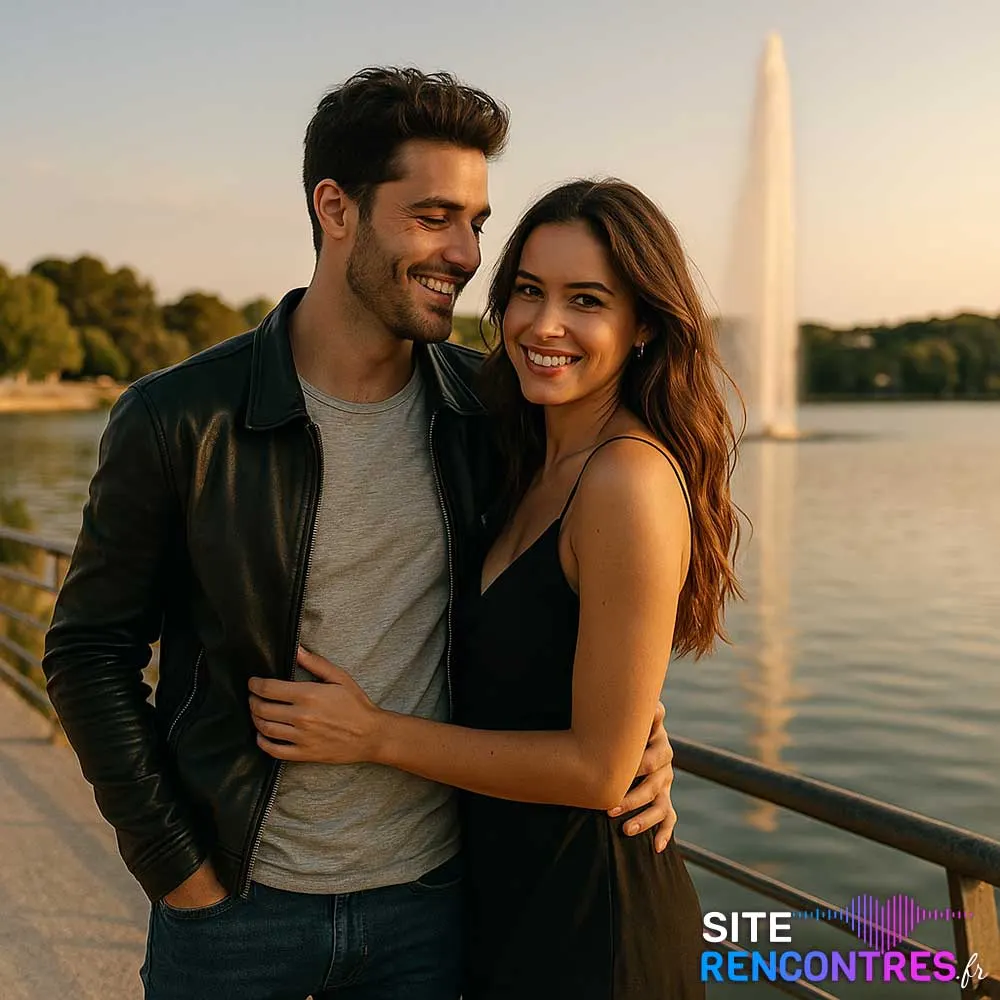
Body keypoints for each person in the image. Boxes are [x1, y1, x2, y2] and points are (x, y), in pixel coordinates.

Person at [42, 70, 677, 1000]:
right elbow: (88, 653)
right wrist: (179, 872)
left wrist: (637, 733)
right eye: (433, 216)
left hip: (436, 908)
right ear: (335, 208)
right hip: (236, 911)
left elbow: (565, 590)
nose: (465, 254)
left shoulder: (488, 413)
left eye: (476, 223)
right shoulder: (179, 418)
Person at [247, 179, 743, 998]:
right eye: (528, 291)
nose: (544, 325)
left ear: (645, 325)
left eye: (587, 301)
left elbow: (597, 770)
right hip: (500, 907)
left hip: (593, 932)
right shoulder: (521, 452)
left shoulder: (626, 479)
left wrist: (372, 735)